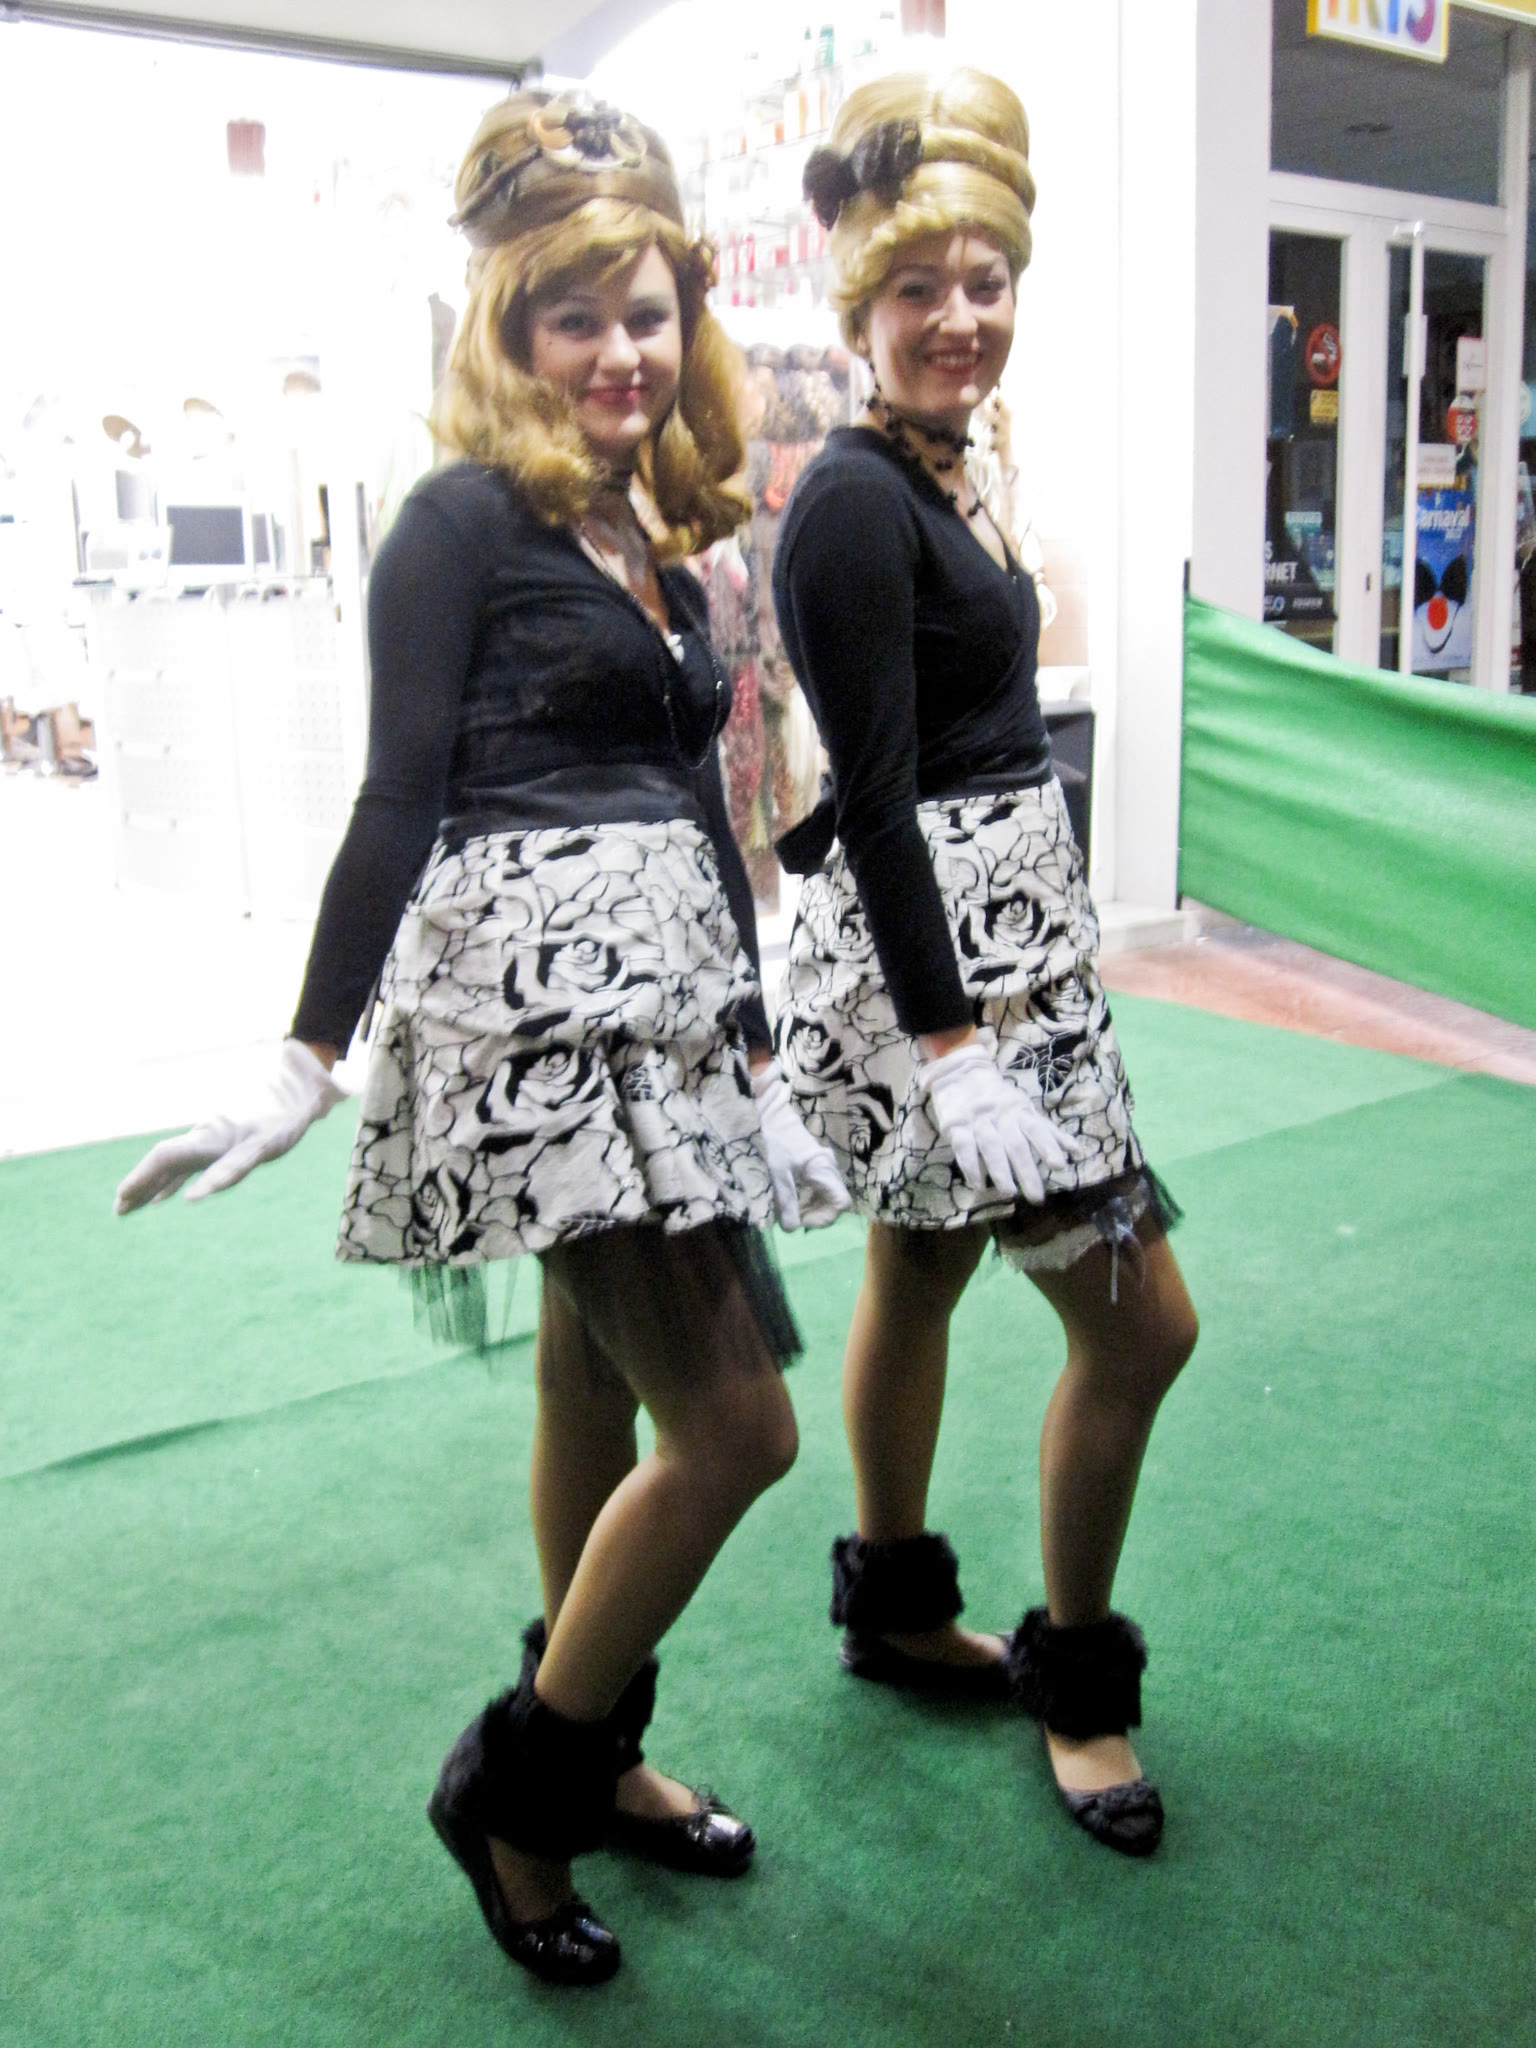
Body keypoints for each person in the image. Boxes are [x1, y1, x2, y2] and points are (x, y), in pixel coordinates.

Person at [115, 89, 848, 1986]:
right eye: (572, 318)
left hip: (662, 1025)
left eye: (647, 312)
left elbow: (701, 798)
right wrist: (305, 1052)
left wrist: (756, 1046)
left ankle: (594, 1751)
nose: (620, 354)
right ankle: (518, 1792)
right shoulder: (454, 520)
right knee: (739, 1429)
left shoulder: (652, 527)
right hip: (534, 1035)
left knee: (590, 1399)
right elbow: (398, 794)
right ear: (505, 329)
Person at [772, 70, 1199, 1858]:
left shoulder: (951, 466)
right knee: (1145, 1329)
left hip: (1018, 944)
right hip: (958, 981)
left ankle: (890, 1606)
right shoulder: (851, 502)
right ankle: (1079, 1688)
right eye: (919, 287)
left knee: (922, 1268)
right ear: (858, 305)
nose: (960, 316)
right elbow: (872, 801)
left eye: (987, 281)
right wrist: (955, 1051)